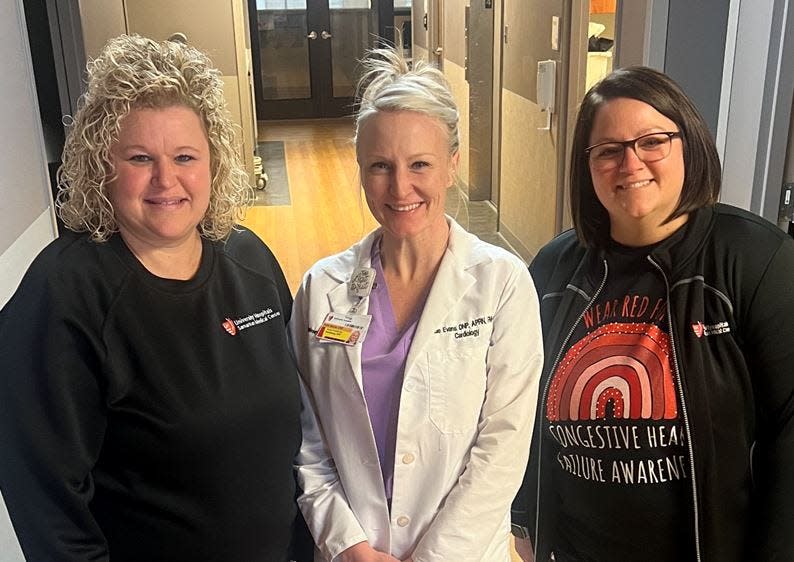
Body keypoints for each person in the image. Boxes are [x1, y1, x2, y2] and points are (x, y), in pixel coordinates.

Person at [0, 34, 309, 561]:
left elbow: (299, 433)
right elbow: (46, 505)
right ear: (103, 166)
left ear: (212, 162)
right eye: (140, 157)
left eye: (185, 156)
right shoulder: (65, 296)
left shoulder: (249, 260)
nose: (167, 180)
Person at [511, 66, 794, 561]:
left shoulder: (754, 259)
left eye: (652, 141)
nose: (630, 163)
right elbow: (518, 410)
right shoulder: (555, 270)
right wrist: (524, 518)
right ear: (587, 166)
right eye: (609, 150)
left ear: (689, 144)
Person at [289, 47, 544, 561]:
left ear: (452, 165)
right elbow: (305, 436)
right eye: (380, 165)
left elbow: (503, 448)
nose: (400, 187)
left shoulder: (502, 284)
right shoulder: (322, 287)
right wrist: (349, 545)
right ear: (360, 170)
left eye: (420, 164)